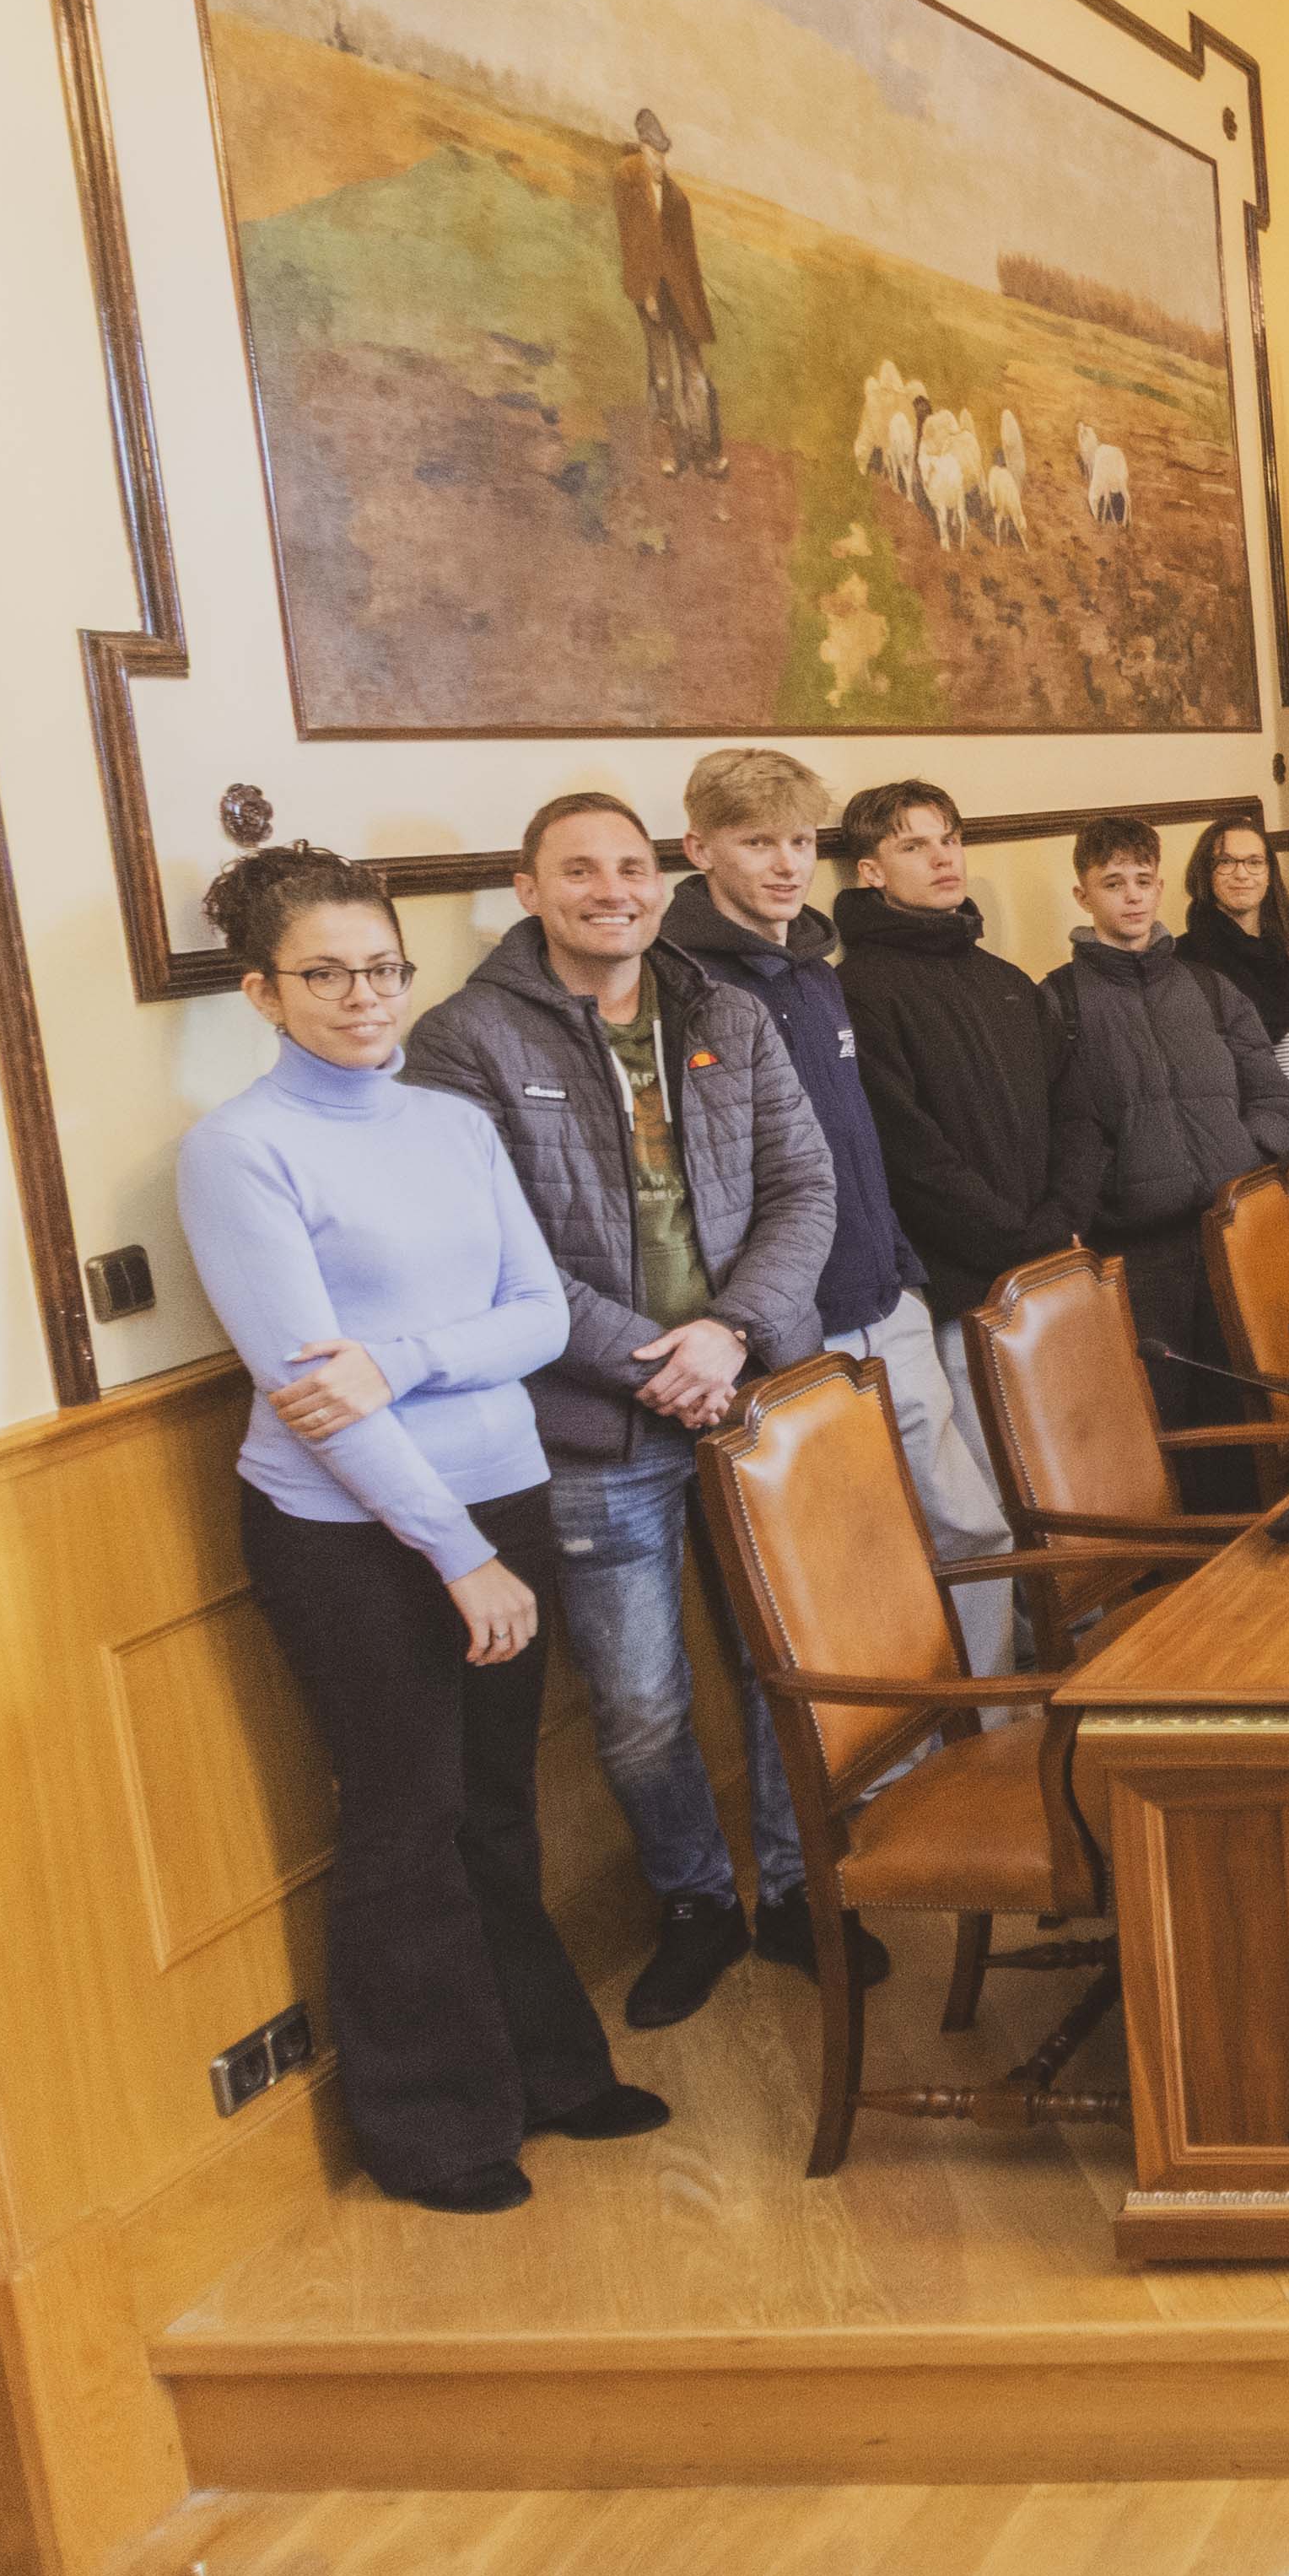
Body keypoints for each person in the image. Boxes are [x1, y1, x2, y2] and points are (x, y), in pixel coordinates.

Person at [179, 843, 656, 2216]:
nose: (361, 995)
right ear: (265, 992)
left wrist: (402, 1356)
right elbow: (314, 1396)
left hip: (500, 1487)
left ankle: (551, 2076)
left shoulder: (448, 1117)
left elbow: (541, 1315)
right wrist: (458, 1555)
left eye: (381, 967)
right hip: (349, 1532)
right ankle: (435, 2131)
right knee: (409, 1819)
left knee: (500, 1813)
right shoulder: (238, 1150)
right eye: (323, 973)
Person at [404, 790, 845, 2028]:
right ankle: (696, 1899)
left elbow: (803, 1188)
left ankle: (804, 1888)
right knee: (641, 1698)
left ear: (663, 881)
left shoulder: (730, 1011)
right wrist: (658, 1357)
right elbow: (501, 1255)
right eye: (580, 869)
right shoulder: (464, 1040)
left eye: (632, 866)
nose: (614, 888)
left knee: (788, 1661)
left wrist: (729, 1332)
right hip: (597, 1420)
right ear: (527, 887)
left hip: (755, 1391)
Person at [666, 749, 1019, 1679]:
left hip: (885, 1295)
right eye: (756, 843)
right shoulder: (683, 991)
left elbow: (857, 1139)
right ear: (700, 848)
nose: (785, 864)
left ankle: (1000, 1726)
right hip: (789, 1326)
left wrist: (900, 1265)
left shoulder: (817, 971)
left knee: (969, 1526)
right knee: (849, 1566)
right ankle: (891, 1774)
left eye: (797, 841)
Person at [830, 779, 1076, 1521]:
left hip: (1049, 1263)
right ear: (870, 871)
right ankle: (1030, 1642)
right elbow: (909, 1154)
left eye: (950, 839)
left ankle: (1095, 1627)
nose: (943, 859)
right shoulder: (857, 991)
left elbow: (1076, 1110)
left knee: (1069, 1469)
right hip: (961, 1286)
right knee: (1000, 1494)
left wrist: (1060, 1216)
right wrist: (1016, 1236)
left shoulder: (1005, 979)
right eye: (913, 845)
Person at [1043, 813, 1289, 1418]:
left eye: (1142, 879)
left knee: (1257, 1399)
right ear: (1083, 895)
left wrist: (1250, 1161)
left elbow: (1273, 1095)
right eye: (1113, 883)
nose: (1132, 895)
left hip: (1230, 1228)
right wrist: (1100, 1198)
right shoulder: (1057, 1003)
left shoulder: (1210, 989)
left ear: (1161, 888)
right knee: (1163, 1411)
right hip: (1136, 1250)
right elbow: (1058, 1130)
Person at [1182, 808, 1289, 1151]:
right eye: (1225, 862)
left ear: (1270, 874)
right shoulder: (1183, 962)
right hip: (1238, 1152)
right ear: (1205, 874)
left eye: (1254, 862)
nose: (1242, 874)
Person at [612, 107, 717, 478]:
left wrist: (696, 309)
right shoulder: (626, 180)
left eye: (663, 155)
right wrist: (647, 293)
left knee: (696, 377)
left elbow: (688, 262)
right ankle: (669, 453)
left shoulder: (678, 200)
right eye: (653, 153)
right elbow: (634, 242)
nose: (659, 162)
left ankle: (704, 453)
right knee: (662, 377)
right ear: (642, 148)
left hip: (681, 299)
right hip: (650, 292)